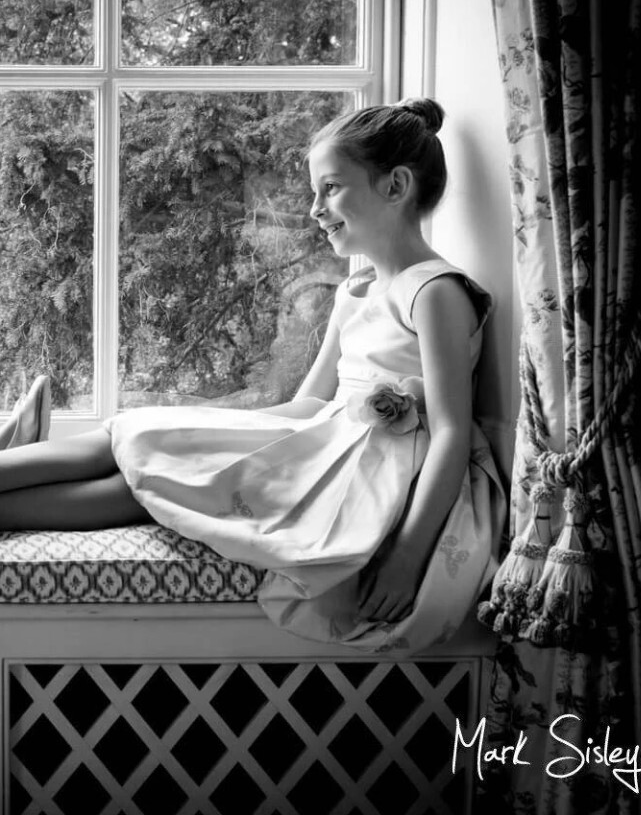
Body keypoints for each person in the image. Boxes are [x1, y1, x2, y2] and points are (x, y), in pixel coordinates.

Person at [0, 98, 506, 653]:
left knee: (142, 487)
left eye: (330, 188)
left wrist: (408, 555)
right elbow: (309, 401)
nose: (315, 208)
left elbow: (454, 431)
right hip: (324, 440)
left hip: (369, 475)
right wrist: (207, 429)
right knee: (138, 431)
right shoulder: (356, 290)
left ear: (395, 186)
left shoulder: (435, 292)